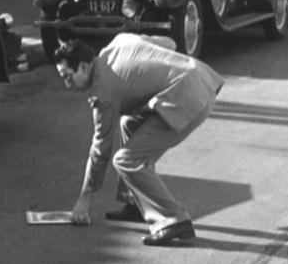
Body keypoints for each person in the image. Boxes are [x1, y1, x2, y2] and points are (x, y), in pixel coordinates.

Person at [53, 33, 224, 246]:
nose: (67, 85)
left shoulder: (103, 92)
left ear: (84, 67)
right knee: (128, 123)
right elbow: (168, 42)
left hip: (188, 99)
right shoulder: (118, 42)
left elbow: (100, 148)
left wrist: (84, 199)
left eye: (68, 77)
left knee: (126, 161)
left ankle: (173, 220)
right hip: (199, 78)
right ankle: (136, 203)